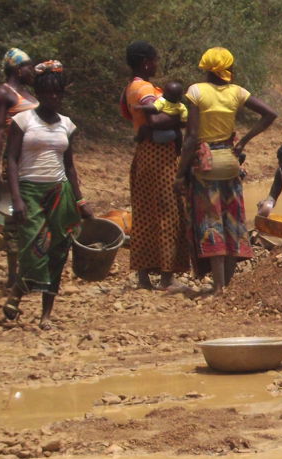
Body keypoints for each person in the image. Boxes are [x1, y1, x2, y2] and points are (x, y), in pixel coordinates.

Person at [176, 47, 277, 294]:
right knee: (232, 221)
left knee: (211, 222)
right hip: (231, 163)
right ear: (228, 69)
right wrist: (243, 141)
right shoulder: (237, 92)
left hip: (205, 167)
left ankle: (218, 285)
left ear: (206, 68)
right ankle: (228, 287)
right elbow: (269, 114)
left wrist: (179, 174)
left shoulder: (196, 91)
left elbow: (190, 137)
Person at [1, 61, 93, 329]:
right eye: (48, 92)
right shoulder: (23, 120)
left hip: (60, 192)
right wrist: (15, 198)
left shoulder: (67, 124)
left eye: (58, 93)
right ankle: (18, 291)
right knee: (33, 246)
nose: (54, 97)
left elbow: (70, 166)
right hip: (30, 191)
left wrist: (80, 200)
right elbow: (12, 160)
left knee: (58, 250)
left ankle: (46, 315)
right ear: (38, 94)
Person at [123, 41, 192, 292]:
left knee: (143, 213)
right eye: (153, 60)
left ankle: (143, 277)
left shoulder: (129, 88)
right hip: (160, 155)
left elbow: (133, 118)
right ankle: (166, 278)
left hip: (143, 155)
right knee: (168, 212)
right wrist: (182, 118)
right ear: (145, 63)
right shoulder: (145, 88)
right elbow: (154, 119)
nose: (155, 65)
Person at [0, 48, 38, 288]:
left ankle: (30, 269)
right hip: (15, 162)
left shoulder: (27, 93)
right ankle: (13, 274)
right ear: (18, 69)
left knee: (35, 214)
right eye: (29, 66)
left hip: (35, 163)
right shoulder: (4, 93)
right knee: (14, 217)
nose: (31, 70)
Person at [135, 81, 187, 152]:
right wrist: (178, 125)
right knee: (179, 134)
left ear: (164, 94)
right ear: (180, 98)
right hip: (171, 135)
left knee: (142, 128)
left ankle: (139, 138)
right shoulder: (182, 107)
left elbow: (154, 109)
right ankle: (178, 151)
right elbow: (184, 120)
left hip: (155, 135)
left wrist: (142, 107)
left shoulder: (162, 101)